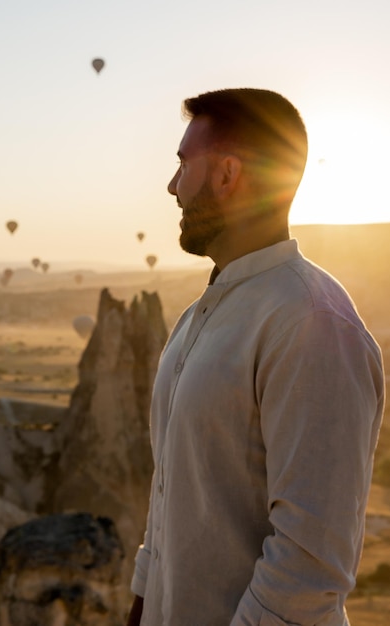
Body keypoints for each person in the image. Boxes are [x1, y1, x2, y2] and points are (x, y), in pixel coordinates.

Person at [126, 88, 384, 626]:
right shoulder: (202, 314)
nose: (172, 187)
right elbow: (171, 488)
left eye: (182, 166)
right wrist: (143, 599)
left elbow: (309, 561)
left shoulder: (311, 323)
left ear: (226, 174)